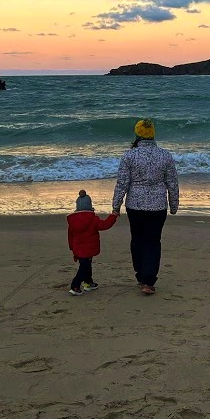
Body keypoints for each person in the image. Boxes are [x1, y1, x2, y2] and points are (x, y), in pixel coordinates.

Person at [112, 118, 179, 295]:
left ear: (137, 135)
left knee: (137, 240)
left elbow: (122, 183)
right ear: (153, 135)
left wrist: (116, 205)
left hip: (135, 204)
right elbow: (172, 183)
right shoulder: (165, 156)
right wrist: (174, 204)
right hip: (158, 206)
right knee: (153, 241)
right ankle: (148, 280)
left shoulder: (129, 156)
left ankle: (141, 276)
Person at [67, 189, 118, 296]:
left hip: (78, 249)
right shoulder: (93, 219)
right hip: (89, 249)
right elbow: (105, 225)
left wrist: (73, 249)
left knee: (86, 265)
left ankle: (88, 283)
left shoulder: (73, 221)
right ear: (90, 205)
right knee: (84, 267)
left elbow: (70, 236)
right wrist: (113, 216)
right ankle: (75, 285)